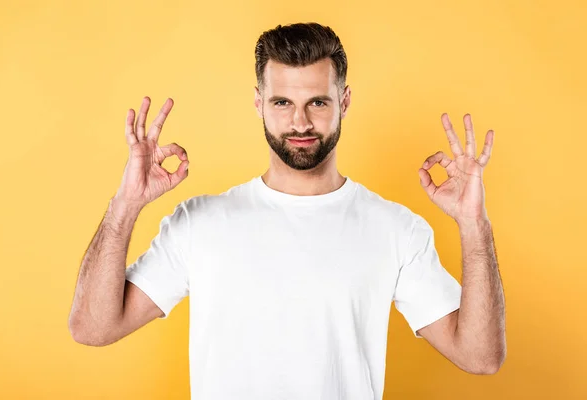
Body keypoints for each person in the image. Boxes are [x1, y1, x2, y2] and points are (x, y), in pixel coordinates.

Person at [68, 22, 506, 400]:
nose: (300, 123)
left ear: (344, 102)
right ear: (259, 102)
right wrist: (125, 206)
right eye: (282, 103)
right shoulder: (198, 223)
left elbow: (481, 357)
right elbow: (93, 328)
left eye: (318, 102)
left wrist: (473, 224)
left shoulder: (395, 229)